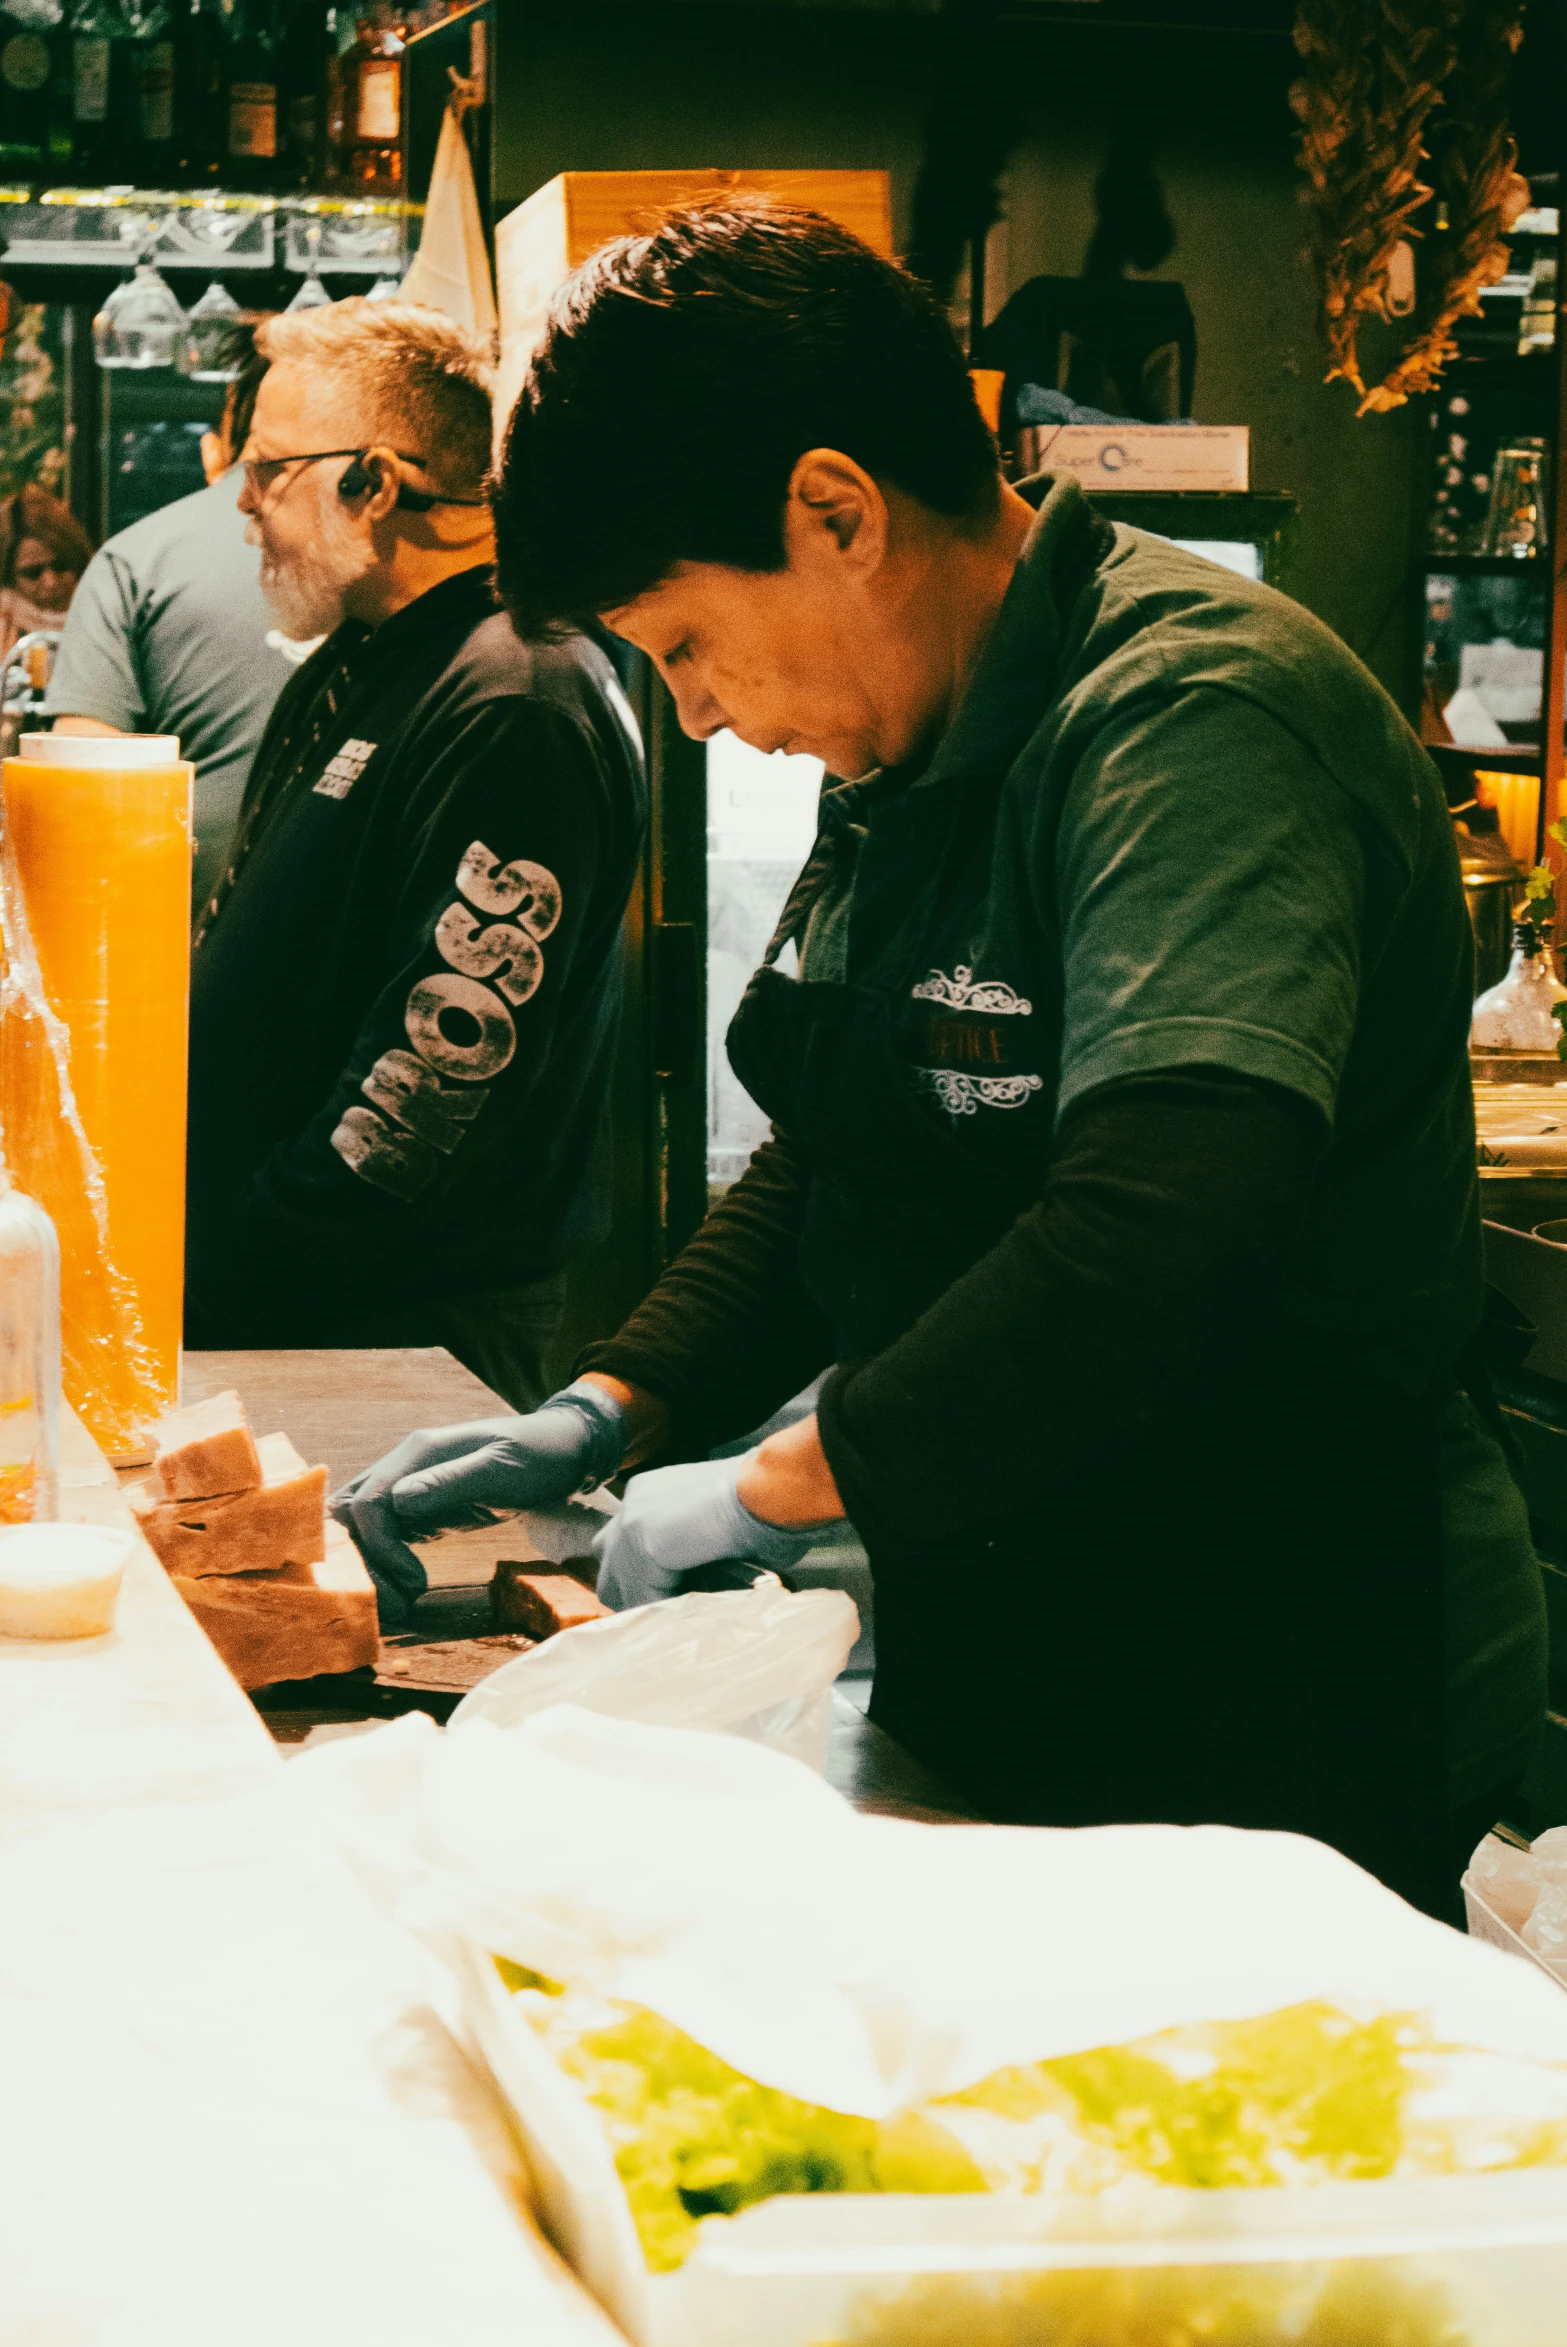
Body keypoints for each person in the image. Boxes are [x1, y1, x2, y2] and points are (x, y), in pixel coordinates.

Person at [333, 200, 1546, 1924]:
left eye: (682, 643)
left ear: (837, 513)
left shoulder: (1194, 721)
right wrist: (614, 1400)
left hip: (1274, 1666)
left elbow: (1163, 1218)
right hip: (1012, 1635)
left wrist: (774, 1483)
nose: (692, 712)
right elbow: (846, 1146)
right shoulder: (908, 757)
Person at [183, 296, 646, 1421]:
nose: (241, 504)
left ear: (375, 483)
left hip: (400, 1327)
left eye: (269, 469)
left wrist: (239, 1261)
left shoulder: (516, 696)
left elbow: (428, 1084)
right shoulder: (357, 663)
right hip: (287, 1306)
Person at [46, 329, 296, 919]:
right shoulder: (391, 553)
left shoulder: (137, 557)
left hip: (178, 937)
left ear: (216, 452)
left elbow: (86, 780)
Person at [0, 483, 93, 664]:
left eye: (61, 566)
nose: (51, 582)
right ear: (8, 579)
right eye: (33, 573)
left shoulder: (107, 618)